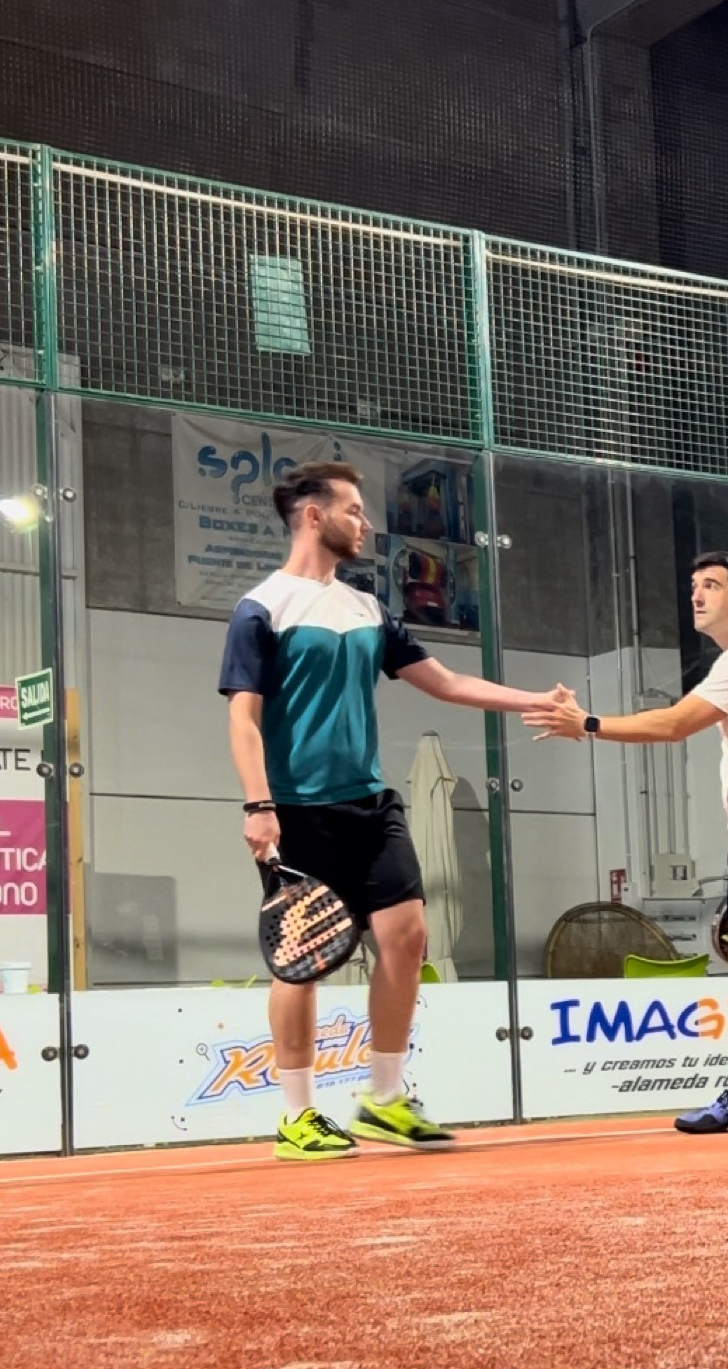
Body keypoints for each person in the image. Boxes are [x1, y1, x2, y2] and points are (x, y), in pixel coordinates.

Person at [222, 461, 573, 1161]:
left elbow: (442, 681)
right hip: (296, 809)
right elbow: (244, 718)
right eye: (353, 510)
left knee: (408, 938)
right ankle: (297, 1115)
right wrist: (258, 805)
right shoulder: (261, 608)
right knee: (300, 963)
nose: (366, 523)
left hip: (371, 803)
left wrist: (533, 700)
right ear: (313, 516)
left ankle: (383, 1099)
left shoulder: (366, 609)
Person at [527, 550, 728, 1133]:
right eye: (694, 585)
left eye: (711, 585)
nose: (696, 595)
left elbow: (674, 725)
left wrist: (588, 723)